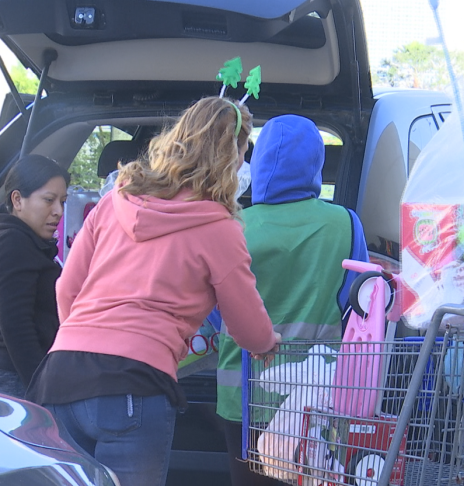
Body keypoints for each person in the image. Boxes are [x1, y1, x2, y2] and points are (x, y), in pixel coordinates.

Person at [25, 97, 281, 486]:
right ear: (232, 156)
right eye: (243, 153)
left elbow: (67, 290)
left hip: (62, 374)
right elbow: (246, 326)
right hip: (134, 384)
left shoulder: (114, 202)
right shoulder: (219, 228)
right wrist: (267, 342)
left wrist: (87, 341)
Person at [215, 114, 369, 486]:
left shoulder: (232, 224)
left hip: (242, 399)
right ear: (316, 163)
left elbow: (215, 311)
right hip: (320, 399)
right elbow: (362, 308)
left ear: (260, 159)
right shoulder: (345, 223)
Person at [0, 155, 70, 399]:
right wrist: (42, 390)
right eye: (48, 200)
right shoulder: (12, 243)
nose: (58, 211)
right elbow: (16, 327)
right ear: (17, 200)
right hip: (19, 382)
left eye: (63, 201)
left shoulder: (27, 243)